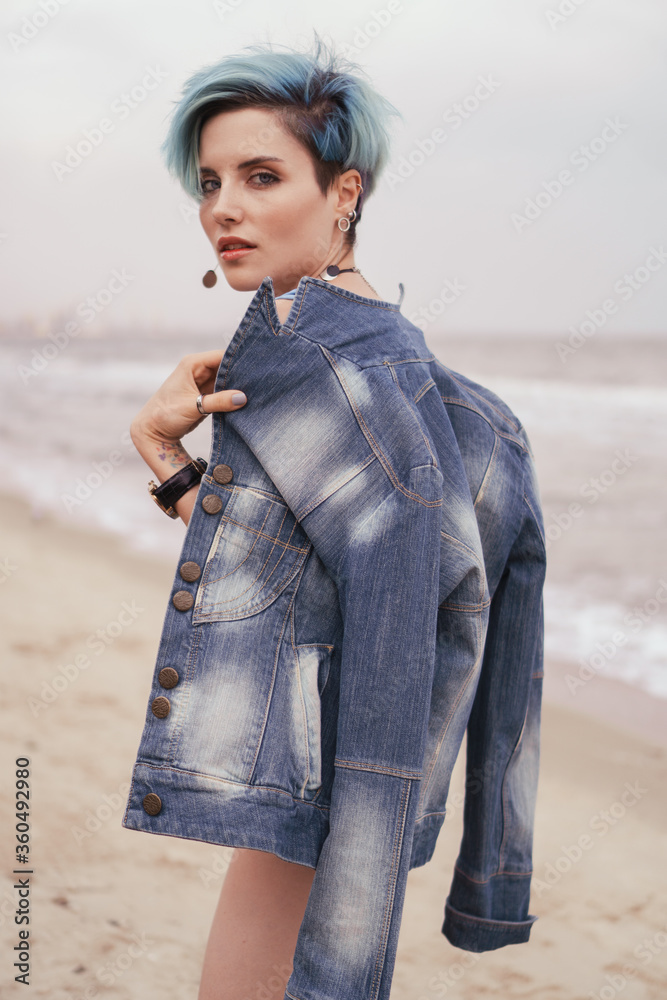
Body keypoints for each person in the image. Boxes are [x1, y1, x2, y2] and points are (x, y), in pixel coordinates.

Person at [123, 36, 547, 1000]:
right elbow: (296, 574)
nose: (223, 208)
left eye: (261, 175)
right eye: (210, 181)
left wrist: (349, 947)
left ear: (343, 194)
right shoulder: (452, 397)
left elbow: (395, 650)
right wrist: (165, 461)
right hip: (320, 785)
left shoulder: (322, 370)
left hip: (327, 789)